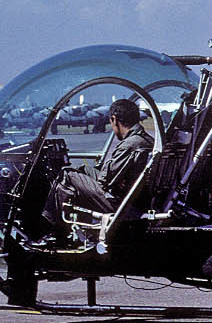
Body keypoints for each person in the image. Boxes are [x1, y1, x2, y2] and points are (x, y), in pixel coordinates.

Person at [42, 98, 153, 237]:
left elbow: (105, 181)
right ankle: (82, 228)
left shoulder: (130, 144)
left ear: (114, 119)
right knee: (83, 170)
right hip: (134, 197)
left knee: (67, 174)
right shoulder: (147, 140)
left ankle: (54, 229)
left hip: (120, 202)